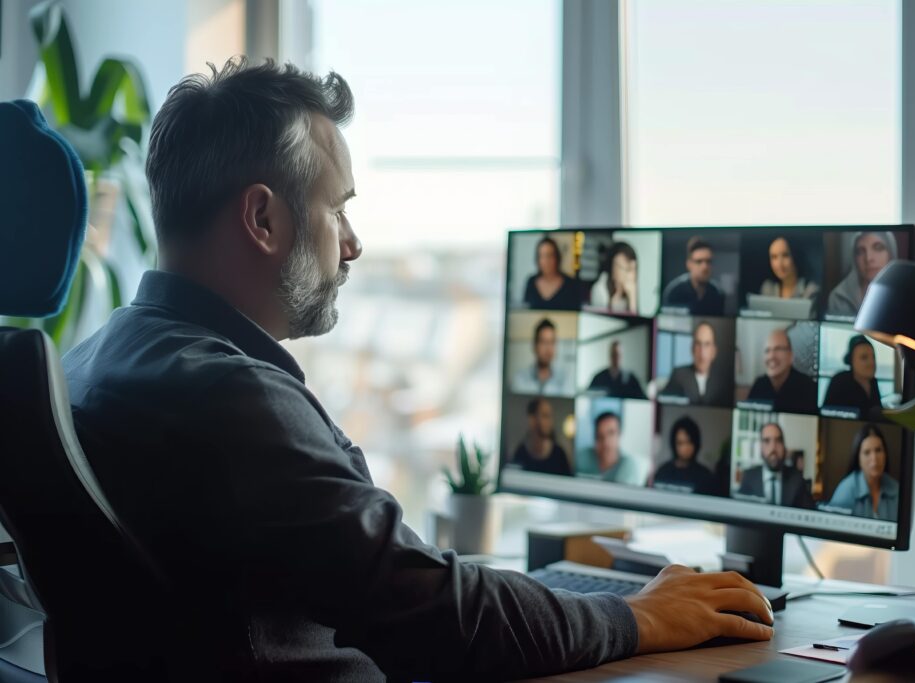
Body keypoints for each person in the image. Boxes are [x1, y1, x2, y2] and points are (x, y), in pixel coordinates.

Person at [60, 59, 772, 680]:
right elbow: (439, 615)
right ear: (263, 220)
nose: (352, 244)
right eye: (336, 210)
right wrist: (638, 615)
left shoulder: (92, 361)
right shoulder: (230, 396)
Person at [827, 423, 899, 521]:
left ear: (885, 454)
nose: (874, 459)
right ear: (858, 459)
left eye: (878, 450)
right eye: (867, 452)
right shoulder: (846, 490)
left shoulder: (896, 489)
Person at [737, 424, 814, 509]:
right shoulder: (748, 477)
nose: (773, 448)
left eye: (778, 441)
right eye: (767, 441)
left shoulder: (797, 480)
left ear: (784, 446)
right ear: (761, 447)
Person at [747, 329, 818, 414]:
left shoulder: (809, 388)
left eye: (778, 349)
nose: (771, 356)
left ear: (790, 356)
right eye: (767, 350)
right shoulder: (759, 385)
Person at [827, 231, 897, 317]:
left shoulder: (904, 294)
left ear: (891, 253)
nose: (868, 258)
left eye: (878, 248)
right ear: (854, 259)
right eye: (860, 251)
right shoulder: (839, 297)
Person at [662, 321, 731, 406]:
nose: (702, 352)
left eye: (707, 344)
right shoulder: (678, 375)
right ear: (692, 349)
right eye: (698, 344)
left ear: (714, 351)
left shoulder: (723, 381)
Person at [574, 412, 647, 486]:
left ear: (619, 434)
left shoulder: (629, 466)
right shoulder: (581, 457)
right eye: (600, 435)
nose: (606, 441)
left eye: (611, 433)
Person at [652, 416, 717, 495]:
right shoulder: (662, 472)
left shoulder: (705, 476)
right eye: (680, 443)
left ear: (696, 443)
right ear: (674, 444)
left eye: (689, 442)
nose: (685, 448)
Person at [822, 335, 883, 418]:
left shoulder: (873, 382)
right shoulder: (839, 382)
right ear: (851, 360)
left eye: (873, 357)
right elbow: (827, 414)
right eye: (864, 357)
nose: (871, 362)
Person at [661, 237, 725, 315]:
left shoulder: (717, 292)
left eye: (708, 262)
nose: (705, 267)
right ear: (689, 264)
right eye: (699, 262)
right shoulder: (674, 291)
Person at [512, 318, 574, 396]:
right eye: (544, 342)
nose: (548, 349)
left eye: (552, 342)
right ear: (535, 346)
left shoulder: (564, 379)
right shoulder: (520, 379)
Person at [510, 398, 572, 476]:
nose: (550, 421)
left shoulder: (559, 454)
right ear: (532, 419)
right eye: (545, 416)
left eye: (550, 416)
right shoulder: (521, 453)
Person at [522, 236, 582, 310]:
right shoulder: (531, 282)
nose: (546, 261)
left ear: (557, 257)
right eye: (542, 256)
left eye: (549, 255)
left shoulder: (570, 284)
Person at [758, 236, 820, 302]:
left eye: (785, 255)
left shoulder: (811, 290)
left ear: (796, 256)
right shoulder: (767, 288)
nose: (779, 264)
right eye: (774, 257)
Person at [589, 241, 639, 314]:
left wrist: (632, 297)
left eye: (633, 269)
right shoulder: (600, 289)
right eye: (626, 269)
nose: (631, 274)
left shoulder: (632, 288)